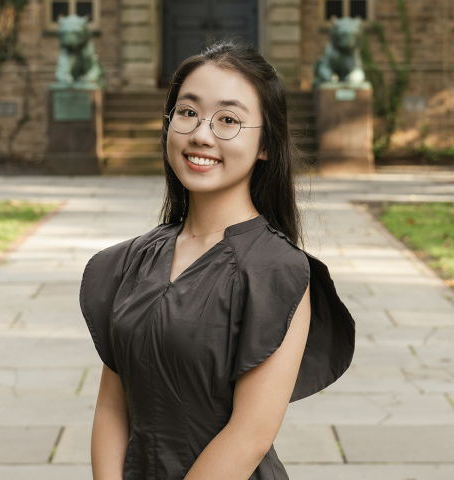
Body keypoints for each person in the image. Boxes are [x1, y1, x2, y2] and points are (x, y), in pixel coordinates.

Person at [79, 38, 355, 480]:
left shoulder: (276, 271)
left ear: (266, 145)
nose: (201, 134)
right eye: (187, 112)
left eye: (228, 119)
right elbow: (113, 407)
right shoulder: (129, 261)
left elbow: (250, 435)